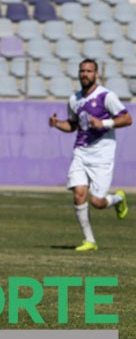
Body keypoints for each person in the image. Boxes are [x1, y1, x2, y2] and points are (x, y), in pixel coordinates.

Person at [49, 58, 131, 251]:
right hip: (81, 151)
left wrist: (104, 123)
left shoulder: (106, 96)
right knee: (78, 194)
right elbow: (73, 125)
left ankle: (118, 199)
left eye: (89, 71)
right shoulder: (74, 99)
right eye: (82, 71)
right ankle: (89, 241)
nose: (85, 74)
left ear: (96, 74)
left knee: (97, 202)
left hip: (102, 153)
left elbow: (127, 119)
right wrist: (57, 124)